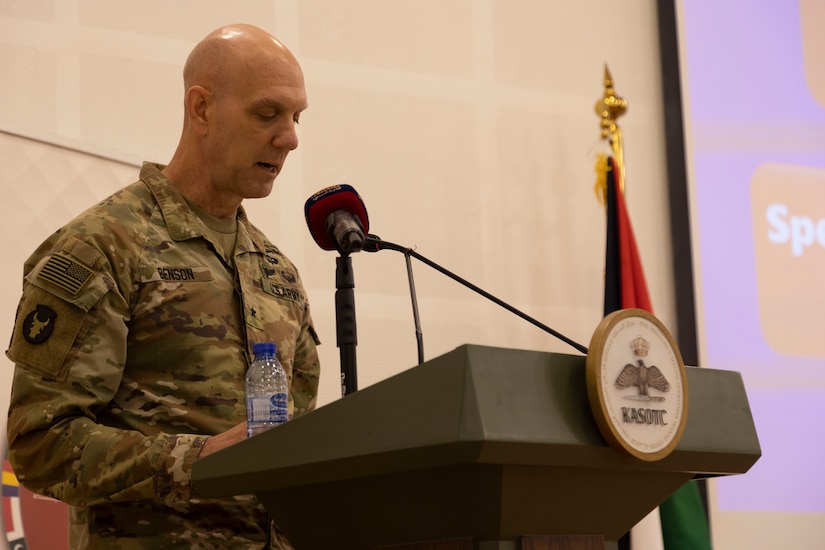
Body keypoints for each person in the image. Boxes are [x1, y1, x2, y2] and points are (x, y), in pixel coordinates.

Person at [5, 23, 320, 549]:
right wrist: (194, 461)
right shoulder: (102, 247)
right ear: (201, 109)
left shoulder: (278, 273)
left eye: (296, 117)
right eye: (267, 114)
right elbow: (40, 444)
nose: (289, 137)